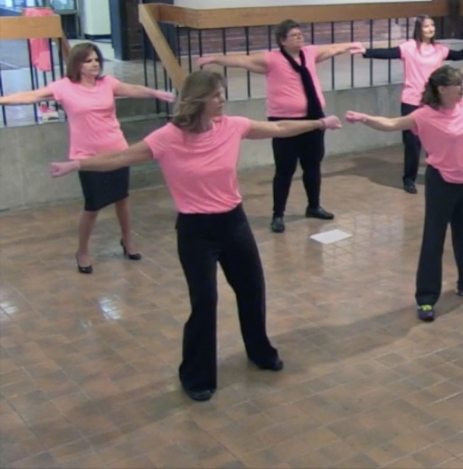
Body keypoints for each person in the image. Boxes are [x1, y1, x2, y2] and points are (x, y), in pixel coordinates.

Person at [49, 70, 342, 401]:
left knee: (252, 290)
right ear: (199, 98)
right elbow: (120, 156)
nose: (222, 100)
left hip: (234, 223)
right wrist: (77, 165)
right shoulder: (168, 137)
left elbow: (277, 128)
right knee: (204, 303)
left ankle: (260, 352)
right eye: (216, 95)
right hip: (195, 231)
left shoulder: (232, 126)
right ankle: (196, 375)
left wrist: (319, 123)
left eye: (222, 94)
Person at [343, 65, 463, 322]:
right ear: (441, 89)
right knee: (433, 240)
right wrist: (364, 118)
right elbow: (392, 124)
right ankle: (426, 298)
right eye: (457, 84)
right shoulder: (425, 115)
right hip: (440, 182)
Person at [0, 42, 174, 273]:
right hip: (86, 156)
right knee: (92, 206)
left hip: (117, 151)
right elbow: (31, 95)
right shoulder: (64, 87)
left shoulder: (107, 83)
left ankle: (127, 241)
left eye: (96, 60)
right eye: (88, 60)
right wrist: (2, 100)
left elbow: (131, 89)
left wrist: (154, 92)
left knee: (122, 199)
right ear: (77, 64)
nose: (94, 64)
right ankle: (82, 251)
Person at [197, 19, 364, 233]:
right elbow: (243, 61)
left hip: (314, 119)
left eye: (300, 34)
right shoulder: (272, 60)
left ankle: (314, 206)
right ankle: (278, 214)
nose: (300, 37)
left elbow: (331, 49)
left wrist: (351, 45)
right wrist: (215, 59)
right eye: (294, 35)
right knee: (285, 170)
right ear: (282, 41)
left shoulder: (309, 54)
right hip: (284, 123)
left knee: (312, 166)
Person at [363, 15, 463, 194]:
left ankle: (437, 176)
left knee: (437, 141)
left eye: (432, 26)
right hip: (411, 101)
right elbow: (389, 53)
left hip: (432, 102)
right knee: (412, 144)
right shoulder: (409, 47)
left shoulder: (439, 49)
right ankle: (409, 179)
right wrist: (365, 51)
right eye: (426, 26)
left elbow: (460, 55)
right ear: (419, 29)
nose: (430, 29)